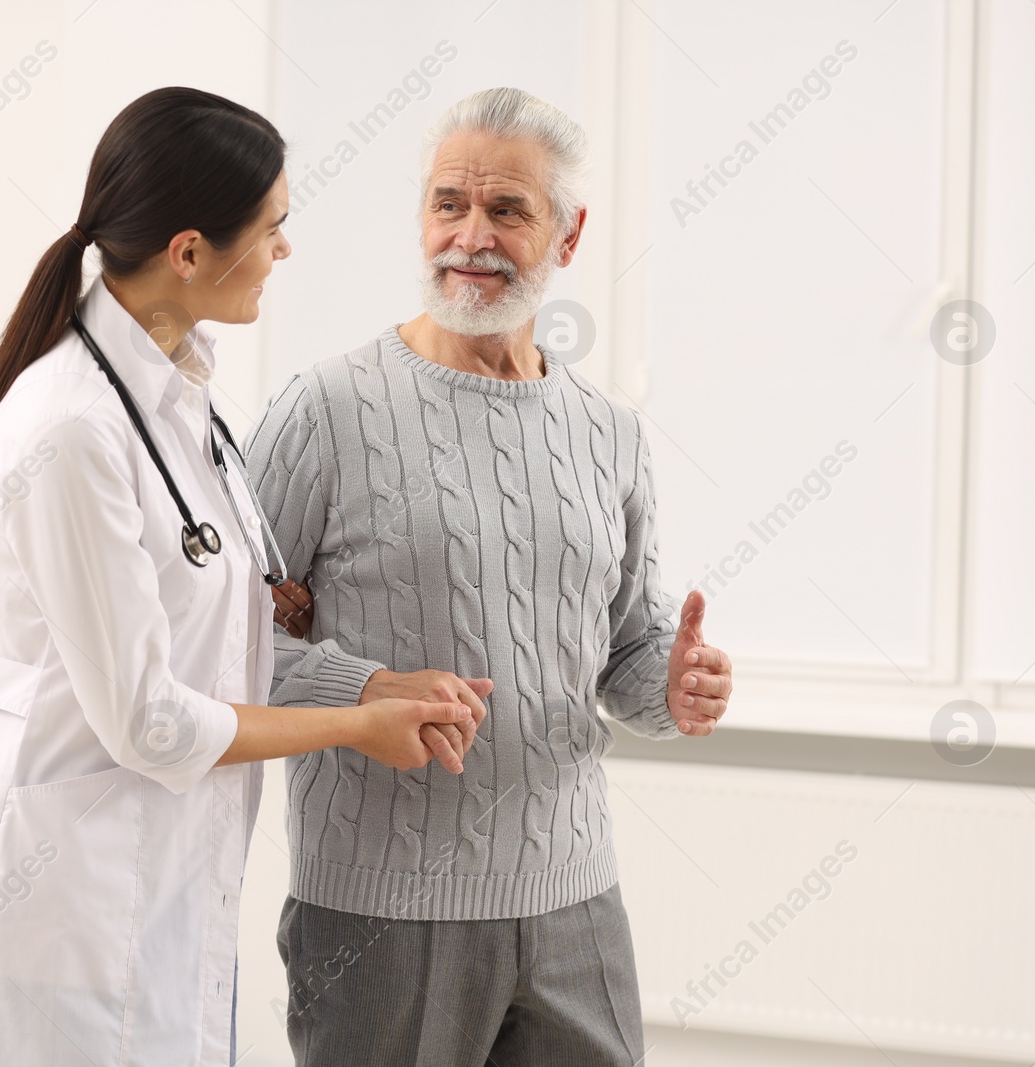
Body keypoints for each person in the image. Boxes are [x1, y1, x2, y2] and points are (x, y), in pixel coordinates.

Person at [0, 86, 478, 1067]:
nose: (284, 251)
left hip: (154, 881)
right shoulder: (72, 429)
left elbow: (209, 617)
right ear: (187, 251)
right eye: (272, 228)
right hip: (58, 896)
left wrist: (365, 677)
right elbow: (150, 719)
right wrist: (356, 725)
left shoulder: (181, 398)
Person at [243, 88, 735, 1066]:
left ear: (568, 232)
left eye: (506, 210)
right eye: (446, 203)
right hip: (379, 914)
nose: (470, 235)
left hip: (575, 899)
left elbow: (627, 655)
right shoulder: (324, 410)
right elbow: (224, 646)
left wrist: (672, 690)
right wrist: (361, 686)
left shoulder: (611, 433)